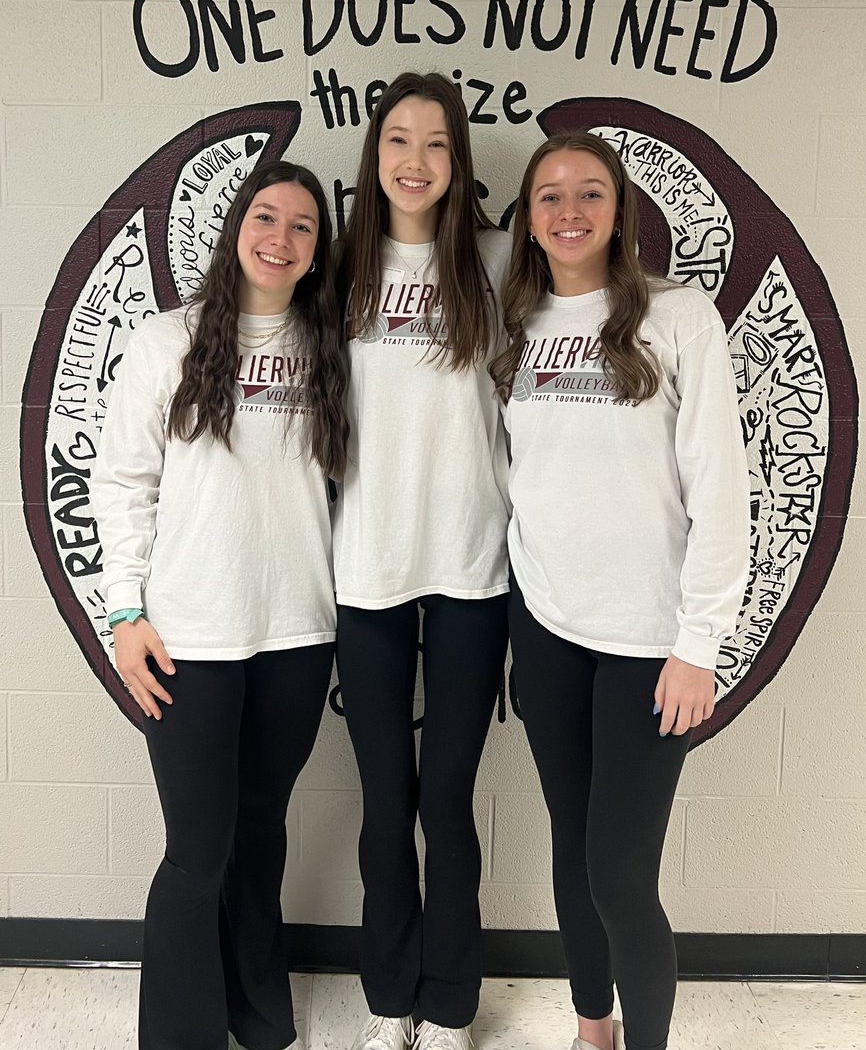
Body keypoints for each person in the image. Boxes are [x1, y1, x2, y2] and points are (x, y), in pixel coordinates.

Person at [491, 132, 750, 1050]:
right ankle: (591, 1026)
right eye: (549, 196)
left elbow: (722, 490)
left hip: (651, 641)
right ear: (526, 218)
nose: (569, 211)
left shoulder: (678, 320)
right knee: (573, 844)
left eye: (589, 193)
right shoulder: (513, 326)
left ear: (619, 209)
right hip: (550, 626)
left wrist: (699, 644)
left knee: (620, 876)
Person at [92, 160, 348, 1050]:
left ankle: (257, 1009)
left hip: (297, 633)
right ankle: (179, 1036)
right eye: (266, 217)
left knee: (261, 834)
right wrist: (124, 614)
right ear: (237, 226)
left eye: (303, 227)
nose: (281, 237)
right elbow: (121, 483)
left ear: (319, 251)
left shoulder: (329, 349)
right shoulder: (169, 341)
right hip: (189, 638)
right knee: (197, 850)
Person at [334, 72, 511, 1050]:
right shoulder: (338, 274)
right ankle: (387, 994)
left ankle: (446, 1005)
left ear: (456, 162)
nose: (414, 160)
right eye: (397, 139)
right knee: (382, 800)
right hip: (365, 570)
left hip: (469, 571)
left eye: (436, 143)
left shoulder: (492, 261)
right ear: (374, 155)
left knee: (443, 800)